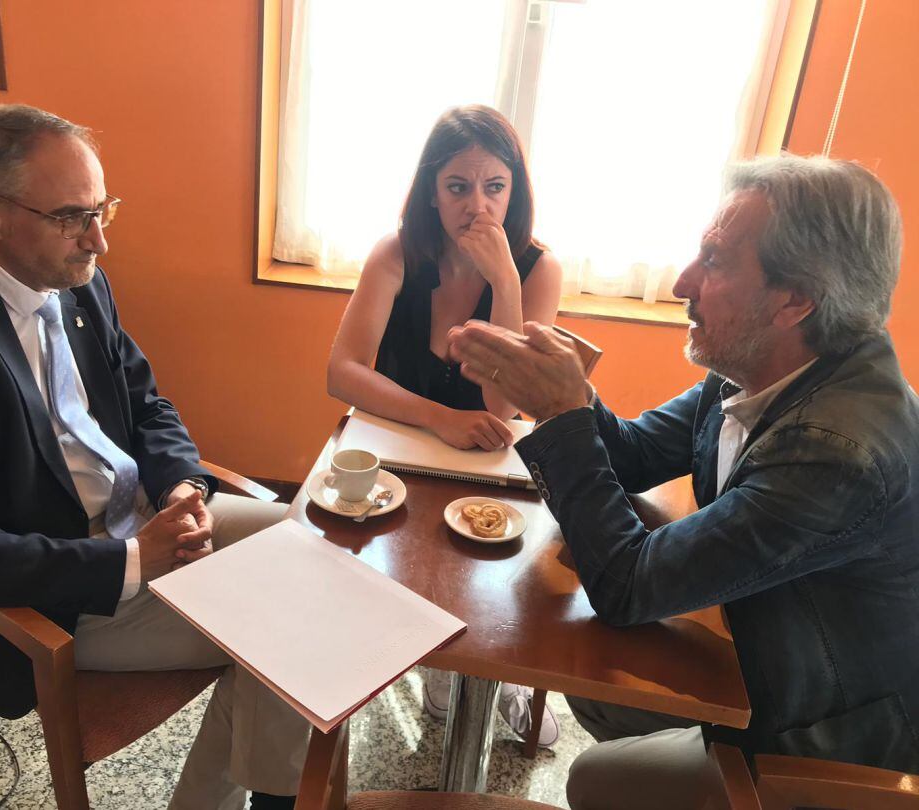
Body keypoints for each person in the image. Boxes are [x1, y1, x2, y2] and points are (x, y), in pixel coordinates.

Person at [0, 105, 309, 810]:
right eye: (72, 216)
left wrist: (180, 485)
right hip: (61, 592)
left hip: (135, 517)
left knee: (313, 555)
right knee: (281, 630)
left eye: (103, 209)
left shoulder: (77, 278)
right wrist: (131, 562)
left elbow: (144, 403)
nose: (98, 238)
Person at [448, 155, 919, 808]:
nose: (681, 282)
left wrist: (561, 414)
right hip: (762, 653)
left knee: (594, 775)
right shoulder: (762, 366)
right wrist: (567, 391)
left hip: (828, 739)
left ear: (796, 299)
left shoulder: (836, 448)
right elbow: (635, 453)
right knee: (595, 693)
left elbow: (626, 586)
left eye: (715, 260)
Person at [327, 105, 563, 744]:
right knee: (395, 547)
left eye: (495, 187)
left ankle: (486, 668)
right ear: (431, 192)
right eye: (458, 187)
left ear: (515, 193)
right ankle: (426, 648)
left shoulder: (538, 268)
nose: (477, 207)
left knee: (490, 553)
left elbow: (504, 408)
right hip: (399, 446)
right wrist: (438, 419)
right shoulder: (398, 253)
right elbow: (342, 372)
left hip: (488, 457)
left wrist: (505, 283)